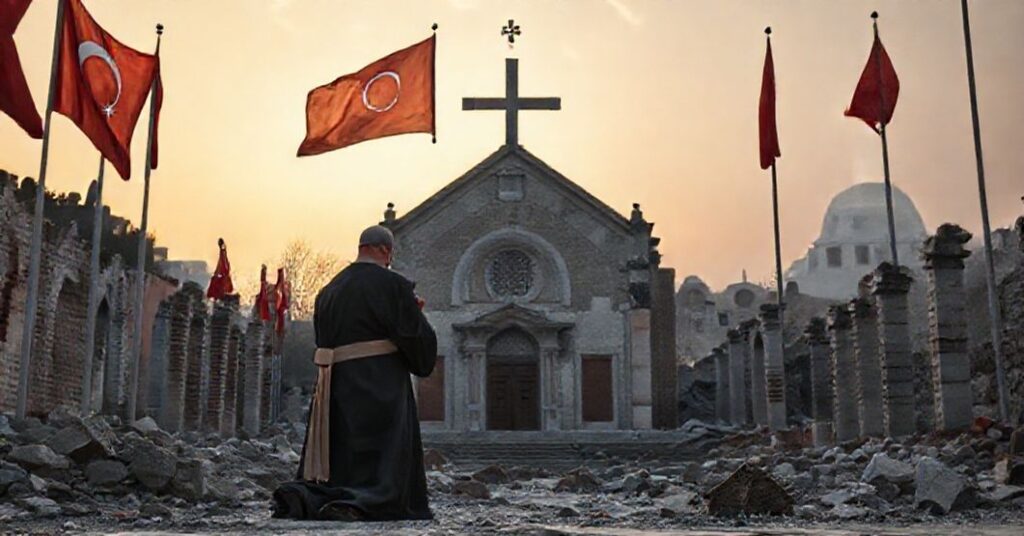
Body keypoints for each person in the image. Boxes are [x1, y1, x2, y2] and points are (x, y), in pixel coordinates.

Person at [272, 225, 437, 521]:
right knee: (381, 463)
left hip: (335, 385)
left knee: (343, 459)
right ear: (386, 251)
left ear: (361, 248)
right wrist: (417, 315)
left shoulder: (328, 290)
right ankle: (363, 503)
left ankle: (316, 498)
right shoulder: (394, 286)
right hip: (381, 385)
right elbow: (419, 350)